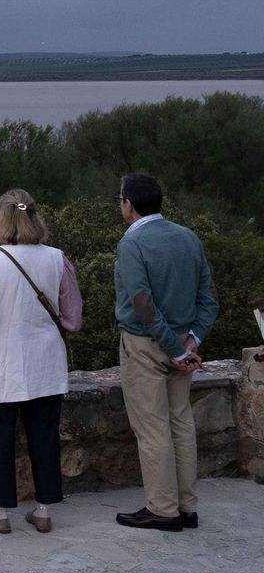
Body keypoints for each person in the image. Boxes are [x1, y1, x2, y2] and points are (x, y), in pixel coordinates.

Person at [0, 189, 83, 534]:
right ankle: (43, 509)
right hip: (44, 361)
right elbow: (73, 317)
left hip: (0, 363)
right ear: (34, 217)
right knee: (44, 435)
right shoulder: (58, 259)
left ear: (0, 219)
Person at [113, 173, 220, 531]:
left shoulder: (132, 244)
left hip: (146, 345)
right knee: (181, 424)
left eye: (121, 199)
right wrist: (192, 341)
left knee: (152, 428)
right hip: (183, 344)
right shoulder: (188, 237)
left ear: (129, 204)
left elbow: (142, 304)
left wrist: (174, 348)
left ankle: (162, 508)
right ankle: (187, 506)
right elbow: (208, 299)